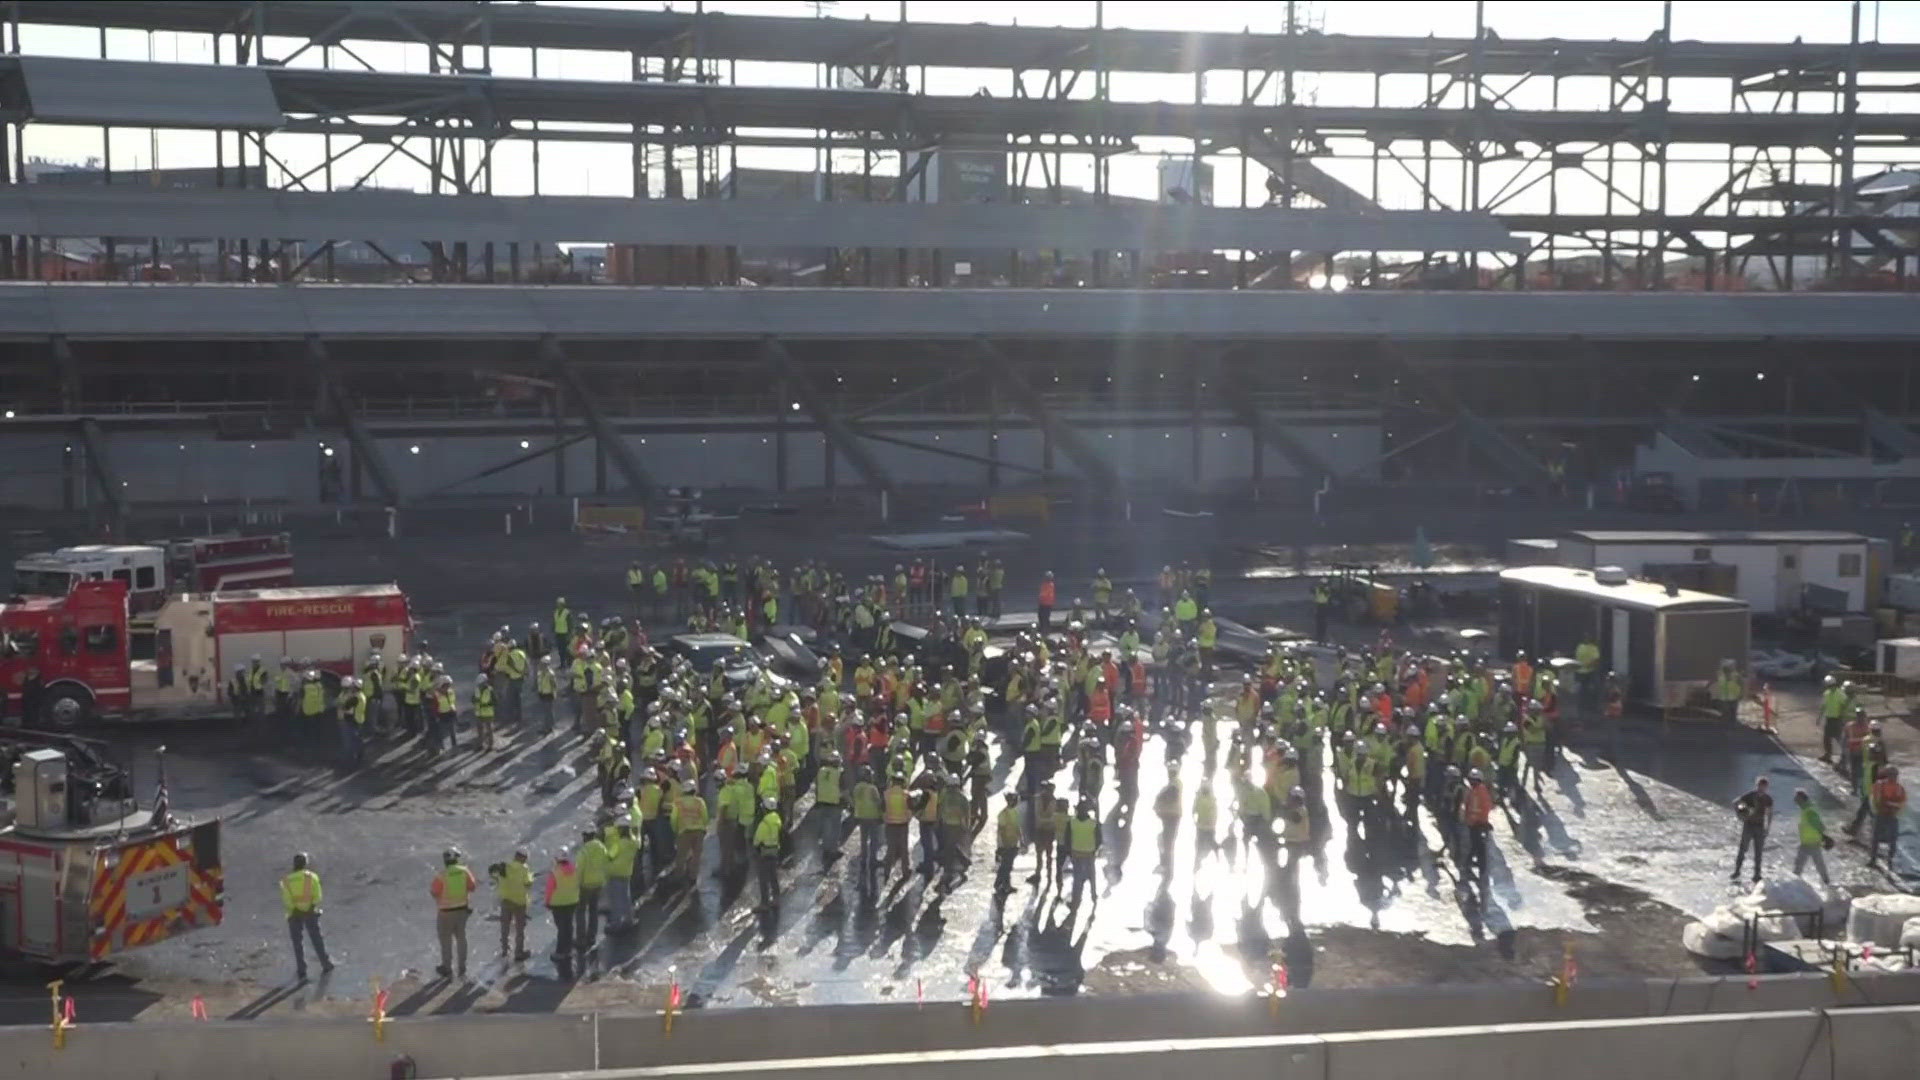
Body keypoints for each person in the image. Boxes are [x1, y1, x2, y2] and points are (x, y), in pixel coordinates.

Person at [281, 852, 334, 982]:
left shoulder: (286, 881)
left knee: (297, 942)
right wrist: (310, 906)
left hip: (294, 914)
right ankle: (325, 963)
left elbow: (287, 900)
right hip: (310, 912)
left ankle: (302, 969)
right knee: (316, 938)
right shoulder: (312, 877)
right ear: (305, 864)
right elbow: (318, 896)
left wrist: (295, 909)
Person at [430, 847, 478, 980]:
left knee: (446, 941)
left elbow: (434, 892)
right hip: (462, 910)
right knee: (461, 938)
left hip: (445, 912)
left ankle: (447, 967)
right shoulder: (465, 871)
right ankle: (462, 967)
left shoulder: (442, 875)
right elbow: (472, 887)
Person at [492, 849, 534, 962]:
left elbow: (494, 876)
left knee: (505, 926)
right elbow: (528, 883)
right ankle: (518, 952)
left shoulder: (505, 867)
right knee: (520, 929)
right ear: (522, 858)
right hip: (520, 902)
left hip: (506, 900)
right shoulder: (524, 868)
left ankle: (505, 950)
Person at [1458, 769, 1494, 897]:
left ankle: (1475, 867)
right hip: (1476, 823)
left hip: (1477, 824)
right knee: (1476, 846)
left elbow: (1480, 808)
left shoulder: (1478, 792)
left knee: (1478, 847)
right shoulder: (1477, 791)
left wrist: (1473, 819)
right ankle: (1472, 865)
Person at [1731, 777, 1773, 883]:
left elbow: (1770, 813)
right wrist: (1741, 813)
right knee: (1743, 849)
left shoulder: (1768, 799)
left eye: (1764, 787)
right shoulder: (1749, 796)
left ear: (1766, 788)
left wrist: (1768, 827)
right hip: (1749, 825)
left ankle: (1757, 875)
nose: (1762, 789)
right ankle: (1737, 871)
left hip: (1760, 826)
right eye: (1760, 786)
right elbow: (1736, 802)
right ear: (1757, 785)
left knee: (1758, 852)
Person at [1790, 790, 1832, 887]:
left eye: (1797, 799)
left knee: (1817, 864)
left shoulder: (1809, 811)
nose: (1795, 800)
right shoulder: (1806, 810)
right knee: (1800, 864)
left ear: (1801, 799)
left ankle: (1826, 882)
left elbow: (1820, 826)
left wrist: (1823, 837)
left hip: (1812, 843)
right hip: (1806, 842)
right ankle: (1794, 884)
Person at [1869, 765, 1907, 871]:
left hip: (1891, 816)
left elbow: (1902, 804)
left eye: (1894, 775)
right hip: (1881, 814)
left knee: (1893, 839)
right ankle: (1873, 859)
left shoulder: (1899, 788)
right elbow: (1873, 799)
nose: (1893, 777)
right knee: (1875, 838)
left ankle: (1890, 860)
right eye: (1891, 775)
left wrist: (1891, 805)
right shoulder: (1879, 786)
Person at [545, 847, 579, 962]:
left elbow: (550, 889)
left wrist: (547, 902)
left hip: (558, 904)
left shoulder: (555, 872)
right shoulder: (574, 869)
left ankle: (560, 952)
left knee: (561, 928)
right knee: (569, 926)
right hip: (572, 901)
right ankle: (568, 950)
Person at [576, 829, 609, 948]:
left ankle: (581, 939)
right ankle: (592, 936)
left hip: (585, 885)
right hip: (598, 883)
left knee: (580, 912)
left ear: (585, 836)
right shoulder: (602, 848)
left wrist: (576, 885)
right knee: (593, 910)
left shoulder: (584, 851)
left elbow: (579, 870)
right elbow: (606, 863)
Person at [1065, 799, 1100, 908]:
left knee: (1077, 881)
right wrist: (1094, 850)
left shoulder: (1071, 822)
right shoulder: (1093, 823)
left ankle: (1075, 902)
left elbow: (1067, 839)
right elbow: (1099, 839)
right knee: (1092, 877)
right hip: (1089, 855)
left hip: (1077, 855)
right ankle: (1094, 897)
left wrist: (1070, 853)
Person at [752, 796, 784, 911]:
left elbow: (757, 840)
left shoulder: (764, 824)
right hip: (774, 851)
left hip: (764, 852)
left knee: (763, 879)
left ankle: (764, 903)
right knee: (773, 877)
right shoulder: (777, 821)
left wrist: (755, 848)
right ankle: (776, 899)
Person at [606, 824, 638, 932]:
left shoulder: (618, 843)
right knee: (626, 897)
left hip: (615, 872)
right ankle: (630, 919)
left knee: (616, 900)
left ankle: (616, 924)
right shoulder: (634, 842)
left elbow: (610, 855)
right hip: (627, 872)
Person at [993, 791, 1023, 895]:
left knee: (1008, 865)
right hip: (1006, 844)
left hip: (1013, 843)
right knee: (1005, 866)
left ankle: (1006, 885)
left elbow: (1017, 827)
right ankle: (998, 884)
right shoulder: (1003, 814)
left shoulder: (1015, 812)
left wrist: (1021, 841)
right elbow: (1001, 830)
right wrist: (1005, 844)